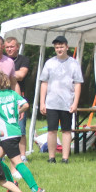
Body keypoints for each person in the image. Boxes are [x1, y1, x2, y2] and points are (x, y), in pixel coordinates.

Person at [0, 69, 44, 192]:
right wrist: (17, 112)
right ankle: (12, 188)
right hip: (15, 131)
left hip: (6, 134)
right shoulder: (12, 93)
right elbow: (26, 105)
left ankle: (36, 190)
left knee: (17, 163)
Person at [38, 35, 83, 164]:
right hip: (51, 103)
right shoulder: (49, 63)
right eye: (57, 47)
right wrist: (42, 102)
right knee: (51, 130)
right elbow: (44, 83)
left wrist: (75, 103)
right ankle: (51, 157)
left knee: (66, 130)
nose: (59, 49)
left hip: (67, 103)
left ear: (67, 47)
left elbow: (78, 83)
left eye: (61, 47)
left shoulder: (74, 63)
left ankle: (65, 158)